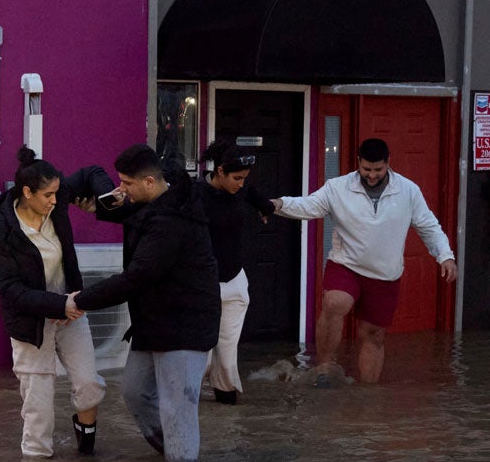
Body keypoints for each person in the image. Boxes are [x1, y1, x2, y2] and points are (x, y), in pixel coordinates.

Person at [71, 144, 220, 462]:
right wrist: (91, 201)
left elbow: (137, 277)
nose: (120, 189)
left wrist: (78, 301)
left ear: (150, 182)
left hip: (186, 325)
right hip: (153, 321)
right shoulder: (152, 200)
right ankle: (173, 453)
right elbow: (105, 185)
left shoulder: (171, 221)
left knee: (177, 406)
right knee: (136, 393)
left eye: (126, 183)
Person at [271, 137, 457, 384]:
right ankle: (324, 368)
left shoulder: (409, 190)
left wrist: (445, 255)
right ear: (358, 162)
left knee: (374, 334)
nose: (371, 175)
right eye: (366, 169)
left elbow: (428, 226)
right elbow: (308, 206)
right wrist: (277, 205)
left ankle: (368, 397)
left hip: (385, 273)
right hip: (345, 264)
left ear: (388, 163)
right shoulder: (337, 187)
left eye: (378, 170)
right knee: (335, 302)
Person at [0, 147, 113, 458]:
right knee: (38, 408)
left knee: (89, 385)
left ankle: (86, 454)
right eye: (48, 196)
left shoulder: (56, 201)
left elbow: (93, 171)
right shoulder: (3, 231)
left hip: (71, 312)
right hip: (31, 323)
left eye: (58, 193)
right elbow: (11, 291)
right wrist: (59, 305)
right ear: (26, 193)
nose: (56, 201)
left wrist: (106, 198)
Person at [194, 139, 276, 405]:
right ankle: (186, 413)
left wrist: (265, 207)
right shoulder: (195, 193)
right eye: (237, 178)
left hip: (235, 280)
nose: (241, 183)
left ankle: (227, 407)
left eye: (244, 178)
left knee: (228, 351)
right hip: (202, 284)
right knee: (201, 353)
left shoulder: (241, 190)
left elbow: (254, 195)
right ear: (219, 172)